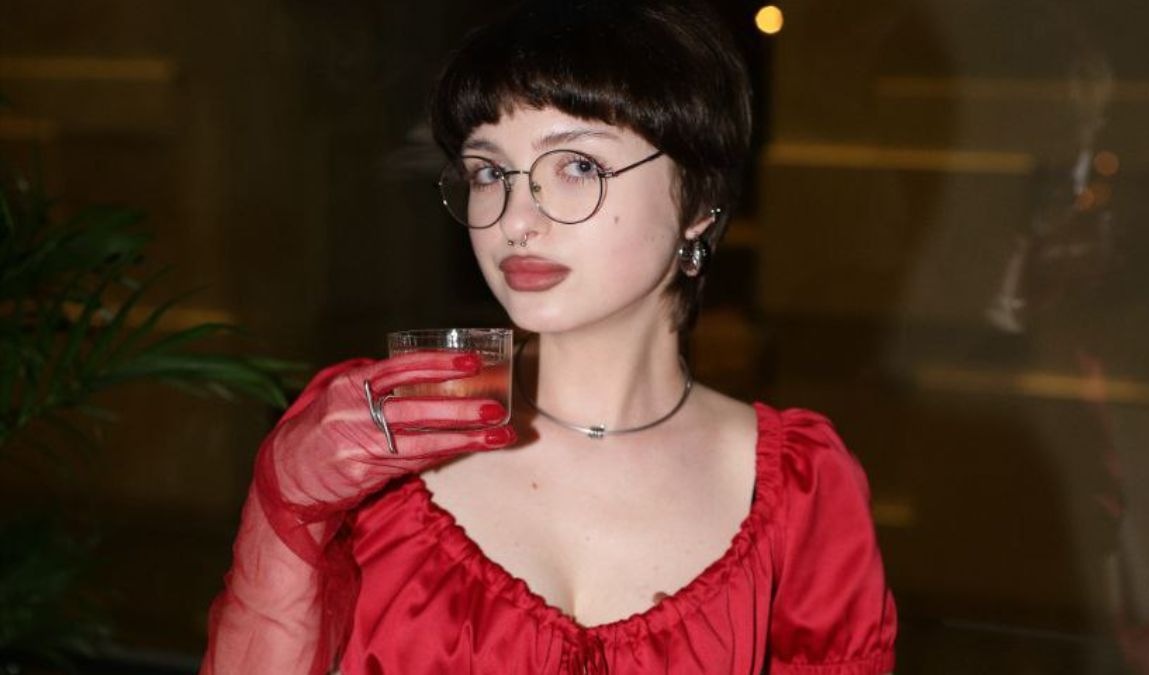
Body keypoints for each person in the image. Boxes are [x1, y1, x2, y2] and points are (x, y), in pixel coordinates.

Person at [200, 1, 897, 673]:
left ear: (699, 201)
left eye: (577, 166)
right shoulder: (375, 432)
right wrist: (288, 498)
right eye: (489, 171)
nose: (515, 219)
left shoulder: (798, 491)